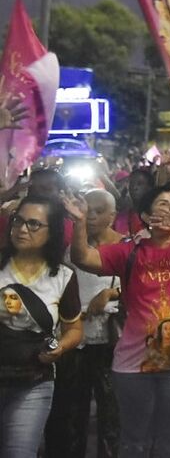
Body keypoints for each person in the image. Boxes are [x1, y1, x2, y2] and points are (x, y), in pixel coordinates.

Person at [67, 184, 170, 458]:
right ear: (145, 216)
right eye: (162, 204)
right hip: (133, 365)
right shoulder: (129, 251)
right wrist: (79, 222)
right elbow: (83, 257)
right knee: (134, 442)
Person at [0, 195, 82, 458]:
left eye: (34, 224)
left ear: (52, 231)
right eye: (18, 221)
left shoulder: (63, 276)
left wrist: (59, 347)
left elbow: (75, 330)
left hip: (33, 381)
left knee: (20, 452)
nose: (23, 229)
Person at [44, 189, 123, 458]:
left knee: (111, 415)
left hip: (111, 343)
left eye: (99, 211)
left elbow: (142, 286)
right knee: (71, 413)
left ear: (113, 216)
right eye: (87, 209)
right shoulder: (71, 252)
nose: (90, 216)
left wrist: (112, 293)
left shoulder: (127, 247)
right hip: (76, 341)